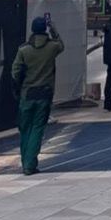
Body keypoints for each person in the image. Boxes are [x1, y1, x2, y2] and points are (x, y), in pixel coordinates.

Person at [10, 12, 64, 174]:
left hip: (27, 94)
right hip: (45, 94)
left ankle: (25, 160)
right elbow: (61, 44)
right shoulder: (52, 47)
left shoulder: (24, 50)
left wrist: (17, 88)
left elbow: (15, 72)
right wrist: (53, 28)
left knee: (25, 128)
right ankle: (30, 164)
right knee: (37, 128)